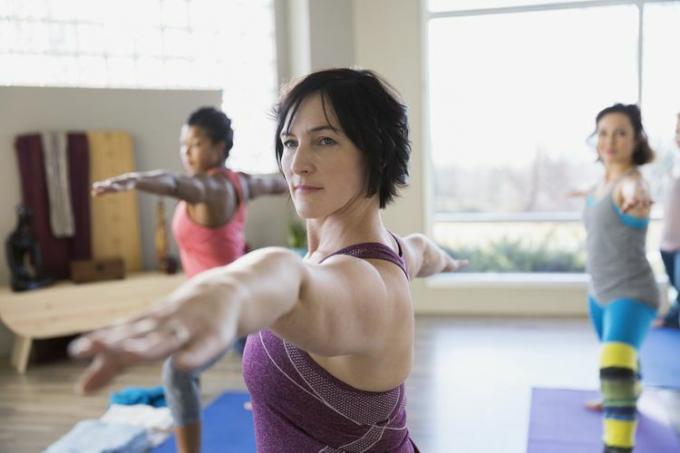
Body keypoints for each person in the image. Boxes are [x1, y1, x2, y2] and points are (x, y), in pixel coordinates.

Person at [70, 68, 466, 452]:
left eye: (325, 140)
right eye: (291, 141)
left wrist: (227, 289)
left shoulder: (366, 285)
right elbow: (423, 251)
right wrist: (449, 262)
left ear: (377, 153)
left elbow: (291, 282)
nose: (296, 164)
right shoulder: (395, 250)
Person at [91, 106, 288, 453]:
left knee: (178, 374)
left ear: (217, 146)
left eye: (195, 144)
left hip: (224, 305)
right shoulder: (239, 181)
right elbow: (275, 182)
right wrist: (297, 180)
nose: (186, 152)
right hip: (240, 297)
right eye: (184, 145)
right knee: (258, 364)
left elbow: (172, 183)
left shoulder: (210, 187)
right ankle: (275, 408)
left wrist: (134, 180)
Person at [583, 103, 658, 453]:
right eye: (603, 132)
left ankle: (617, 446)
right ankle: (627, 391)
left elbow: (634, 194)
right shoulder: (602, 183)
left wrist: (636, 199)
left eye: (620, 132)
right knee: (623, 361)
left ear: (636, 139)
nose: (610, 140)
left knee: (613, 368)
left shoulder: (632, 183)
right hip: (599, 293)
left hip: (631, 293)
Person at [656, 112, 680, 329]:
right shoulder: (672, 163)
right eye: (677, 130)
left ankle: (672, 318)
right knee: (675, 286)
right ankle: (673, 318)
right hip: (668, 239)